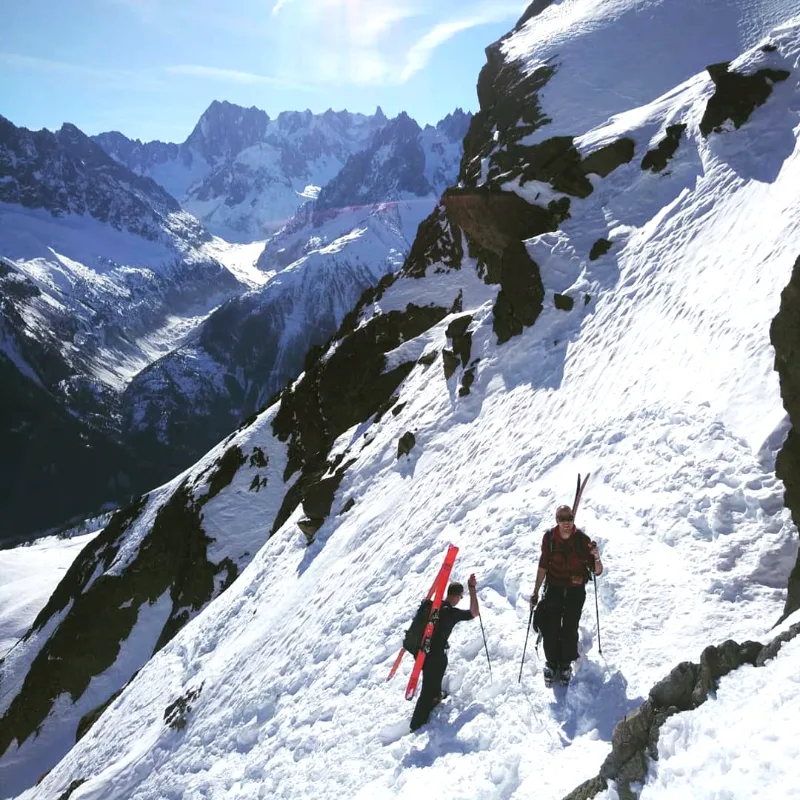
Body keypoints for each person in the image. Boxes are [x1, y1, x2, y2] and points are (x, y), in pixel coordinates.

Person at [530, 505, 602, 685]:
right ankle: (551, 662)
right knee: (550, 626)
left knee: (570, 626)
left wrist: (596, 556)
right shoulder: (549, 538)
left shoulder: (582, 540)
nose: (566, 522)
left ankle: (565, 664)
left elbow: (597, 571)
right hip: (553, 587)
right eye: (562, 518)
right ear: (557, 520)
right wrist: (536, 591)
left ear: (573, 518)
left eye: (569, 518)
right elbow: (543, 565)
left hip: (574, 590)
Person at [410, 574, 479, 731]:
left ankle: (435, 698)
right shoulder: (450, 613)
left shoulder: (435, 606)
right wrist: (472, 589)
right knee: (427, 690)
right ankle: (416, 725)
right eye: (461, 597)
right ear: (455, 596)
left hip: (424, 653)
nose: (460, 599)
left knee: (432, 683)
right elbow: (474, 612)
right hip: (435, 657)